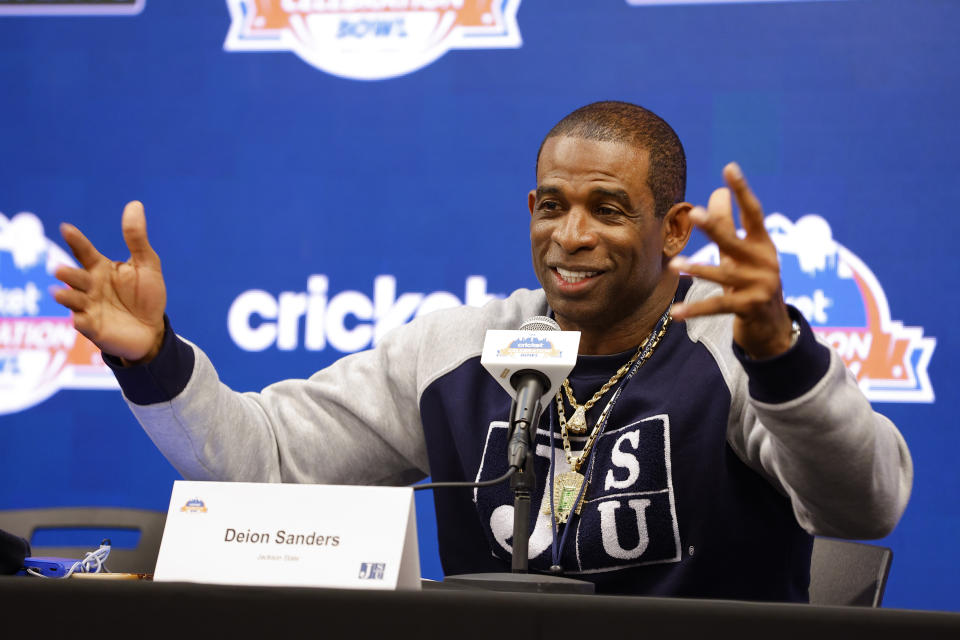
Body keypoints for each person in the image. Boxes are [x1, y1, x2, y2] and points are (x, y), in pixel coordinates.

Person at [52, 102, 911, 601]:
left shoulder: (734, 347)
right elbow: (267, 463)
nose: (570, 236)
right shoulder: (461, 349)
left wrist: (782, 354)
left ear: (674, 229)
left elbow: (861, 504)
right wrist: (154, 357)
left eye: (608, 208)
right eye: (551, 205)